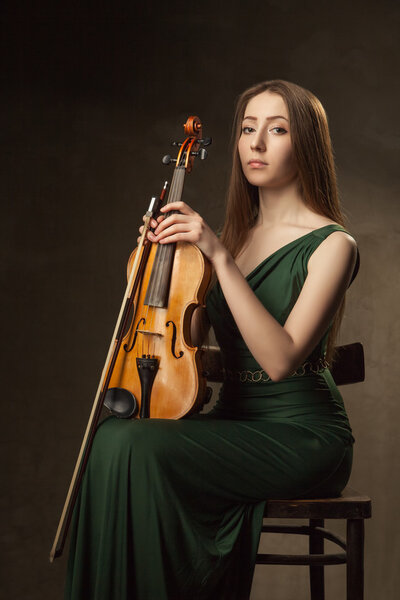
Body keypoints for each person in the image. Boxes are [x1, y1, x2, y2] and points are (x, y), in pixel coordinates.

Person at [65, 79, 359, 600]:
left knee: (137, 446)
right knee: (114, 436)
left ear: (306, 143)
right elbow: (197, 339)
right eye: (248, 129)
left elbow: (279, 360)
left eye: (277, 129)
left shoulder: (333, 244)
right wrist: (157, 267)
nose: (257, 144)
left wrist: (217, 254)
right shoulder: (238, 236)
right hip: (236, 421)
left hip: (302, 436)